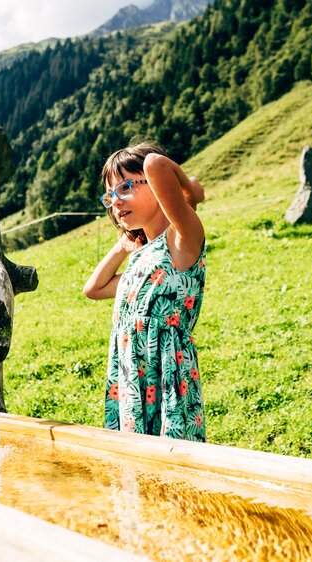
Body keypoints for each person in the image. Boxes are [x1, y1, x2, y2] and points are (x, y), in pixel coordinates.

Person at [83, 141, 207, 441]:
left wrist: (191, 193)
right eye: (110, 195)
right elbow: (93, 289)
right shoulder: (142, 256)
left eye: (125, 187)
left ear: (155, 186)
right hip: (132, 382)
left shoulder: (181, 241)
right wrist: (123, 245)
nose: (116, 201)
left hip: (167, 379)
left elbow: (154, 163)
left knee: (173, 469)